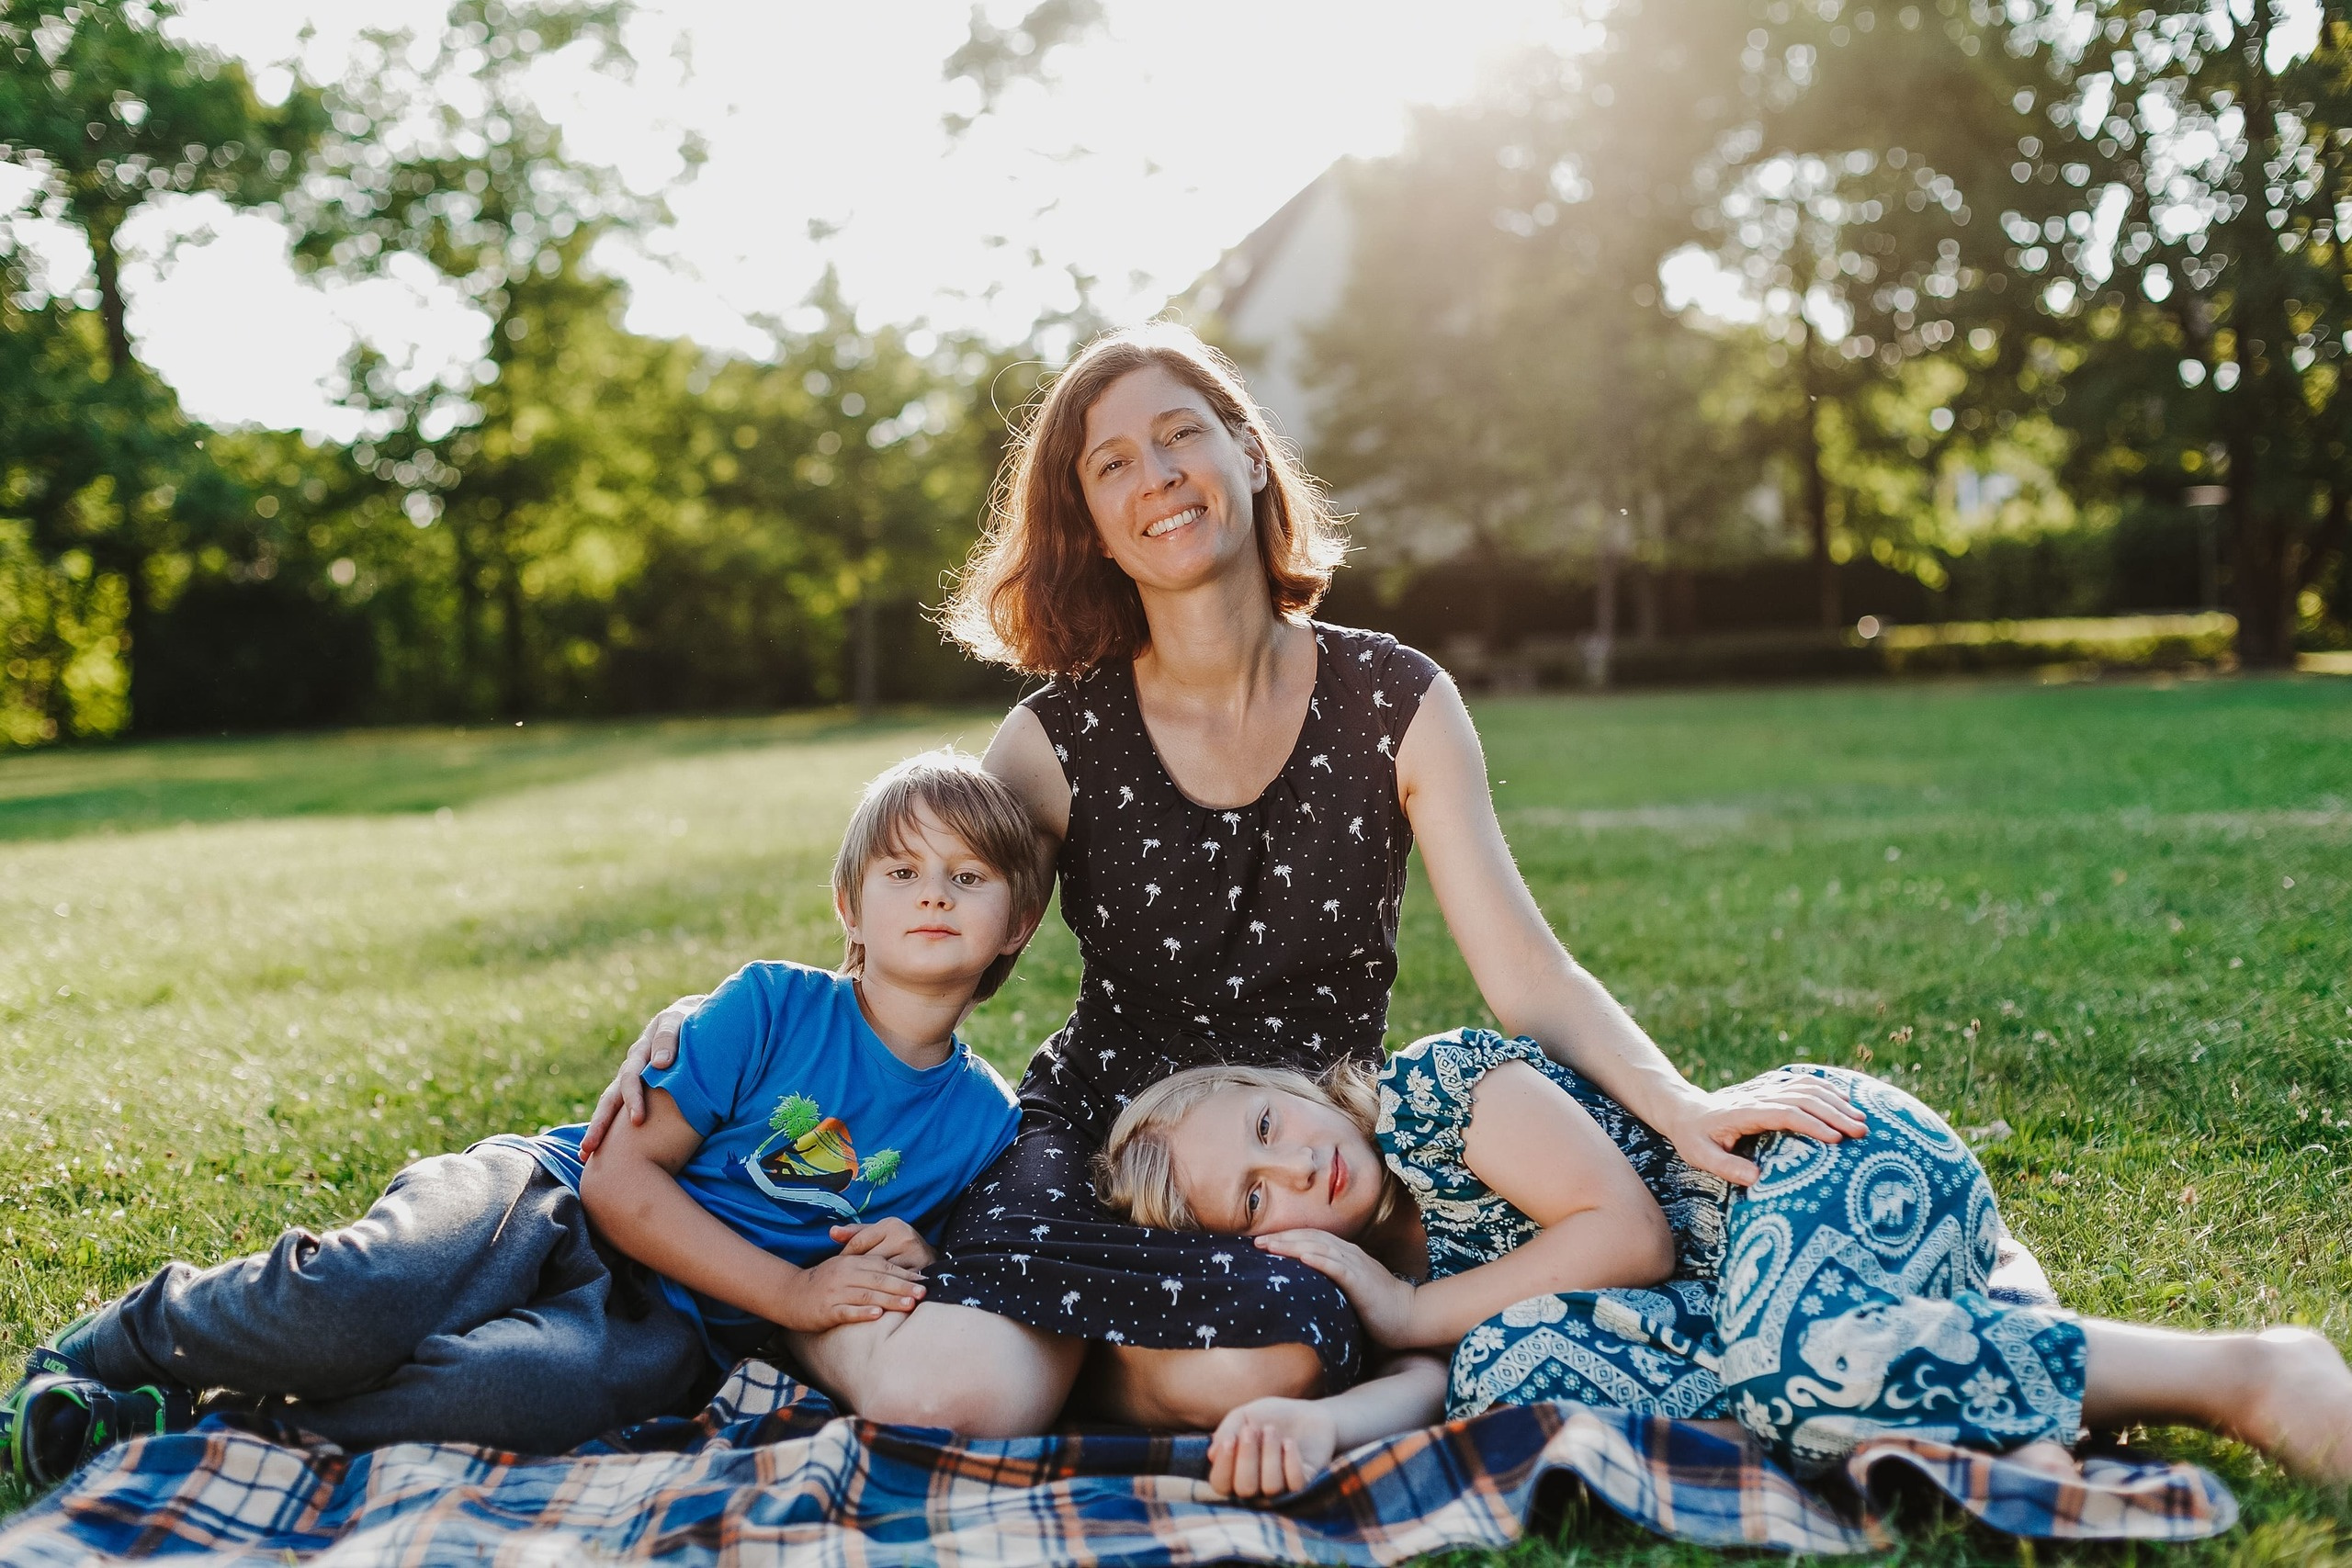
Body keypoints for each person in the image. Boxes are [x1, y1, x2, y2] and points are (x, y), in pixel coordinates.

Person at [582, 321, 1881, 1440]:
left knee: (1267, 1356)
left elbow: (1525, 968)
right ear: (1090, 523)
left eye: (1182, 434)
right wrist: (728, 1021)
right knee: (967, 1395)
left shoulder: (1400, 702)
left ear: (1250, 451)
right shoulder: (1052, 738)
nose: (1159, 475)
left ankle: (1109, 1362)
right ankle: (835, 1328)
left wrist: (1676, 1096)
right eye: (1112, 464)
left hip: (1293, 1163)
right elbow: (941, 940)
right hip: (1099, 1146)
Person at [1, 752, 1046, 1487]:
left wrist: (913, 1244)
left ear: (1019, 922)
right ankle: (131, 1338)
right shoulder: (772, 1005)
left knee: (509, 1398)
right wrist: (795, 1291)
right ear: (848, 907)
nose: (933, 896)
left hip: (669, 1329)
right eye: (900, 872)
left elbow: (948, 1261)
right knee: (364, 1297)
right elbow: (619, 1183)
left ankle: (191, 1426)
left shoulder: (981, 1122)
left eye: (968, 877)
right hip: (543, 1199)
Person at [1091, 1033, 2352, 1496]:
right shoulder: (1388, 1280)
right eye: (1249, 1198)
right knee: (1508, 1367)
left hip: (1808, 1160)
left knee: (1793, 1374)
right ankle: (1986, 1352)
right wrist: (1313, 1427)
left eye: (1269, 1126)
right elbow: (1429, 1383)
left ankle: (2246, 1371)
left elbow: (1628, 1233)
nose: (1293, 1167)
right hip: (1745, 1304)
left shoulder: (1434, 1092)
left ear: (1291, 1085)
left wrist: (1414, 1302)